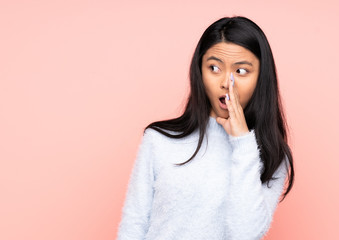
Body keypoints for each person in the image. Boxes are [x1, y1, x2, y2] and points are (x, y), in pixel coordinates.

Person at [115, 16, 295, 240]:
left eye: (241, 71)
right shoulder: (159, 140)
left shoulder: (271, 155)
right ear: (199, 72)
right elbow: (134, 224)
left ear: (261, 78)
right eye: (214, 68)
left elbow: (244, 234)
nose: (226, 82)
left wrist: (242, 141)